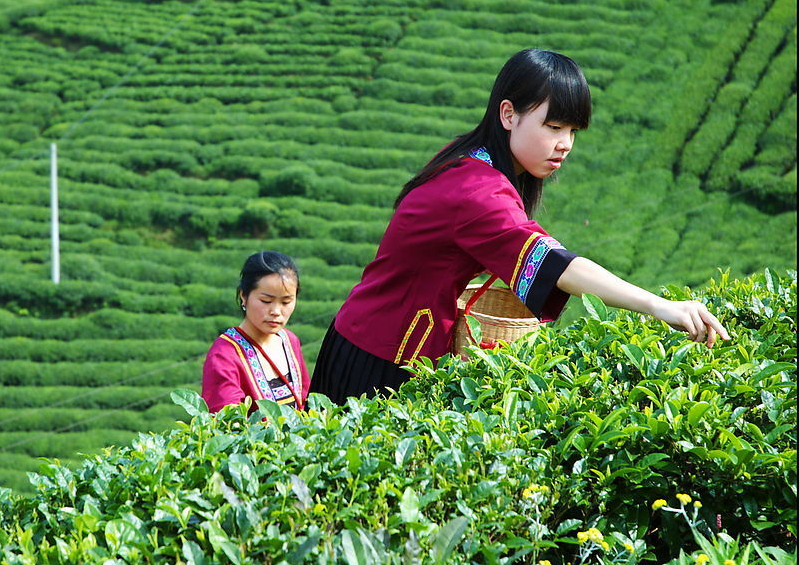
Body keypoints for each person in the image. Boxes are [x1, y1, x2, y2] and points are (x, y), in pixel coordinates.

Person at [310, 48, 730, 404]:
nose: (564, 143)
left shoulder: (474, 159)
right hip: (378, 359)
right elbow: (554, 263)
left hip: (375, 340)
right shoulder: (476, 191)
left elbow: (529, 247)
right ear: (508, 114)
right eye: (553, 126)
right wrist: (659, 306)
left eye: (572, 130)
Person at [202, 251, 311, 413]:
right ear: (244, 296)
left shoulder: (289, 341)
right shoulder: (224, 355)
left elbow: (306, 402)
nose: (276, 311)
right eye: (266, 301)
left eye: (286, 302)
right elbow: (227, 423)